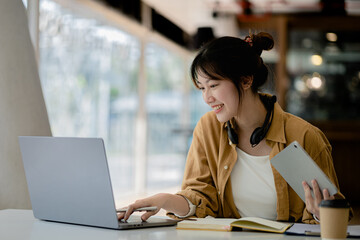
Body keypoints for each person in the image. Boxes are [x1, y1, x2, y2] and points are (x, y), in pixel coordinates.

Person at [118, 32, 349, 224]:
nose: (207, 97)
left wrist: (321, 214)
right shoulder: (208, 128)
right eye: (202, 88)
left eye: (214, 85)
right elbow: (200, 198)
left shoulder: (305, 137)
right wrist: (165, 200)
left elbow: (335, 217)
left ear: (246, 81)